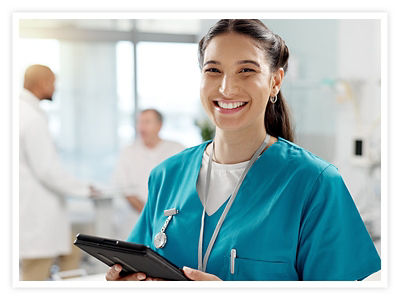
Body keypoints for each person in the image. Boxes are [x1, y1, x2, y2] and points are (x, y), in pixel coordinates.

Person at [106, 19, 381, 281]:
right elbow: (139, 267)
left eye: (246, 70)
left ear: (275, 81)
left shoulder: (314, 183)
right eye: (213, 70)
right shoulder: (167, 175)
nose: (226, 88)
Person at [19, 64, 100, 280]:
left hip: (39, 215)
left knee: (71, 251)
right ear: (43, 83)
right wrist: (84, 189)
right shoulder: (31, 118)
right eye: (54, 83)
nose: (55, 88)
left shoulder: (20, 112)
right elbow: (47, 170)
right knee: (35, 273)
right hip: (36, 217)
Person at [111, 109, 185, 239]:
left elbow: (183, 184)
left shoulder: (176, 149)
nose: (141, 127)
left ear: (159, 125)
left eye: (147, 122)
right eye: (139, 122)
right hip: (133, 220)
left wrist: (161, 215)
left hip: (168, 219)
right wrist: (150, 214)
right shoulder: (128, 152)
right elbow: (126, 189)